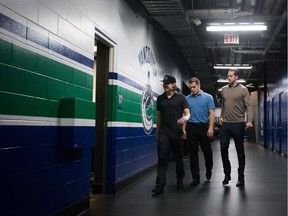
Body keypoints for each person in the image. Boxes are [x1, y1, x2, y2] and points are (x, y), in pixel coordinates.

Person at [152, 75, 190, 195]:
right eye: (164, 83)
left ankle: (180, 179)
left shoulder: (181, 98)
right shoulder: (160, 99)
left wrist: (184, 119)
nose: (165, 85)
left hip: (176, 132)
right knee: (162, 157)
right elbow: (159, 117)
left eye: (167, 83)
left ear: (173, 85)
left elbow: (188, 113)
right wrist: (157, 133)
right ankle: (160, 185)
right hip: (164, 132)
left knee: (178, 157)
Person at [219, 68, 253, 187]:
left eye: (231, 76)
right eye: (228, 76)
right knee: (223, 148)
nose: (229, 78)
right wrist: (221, 116)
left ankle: (241, 177)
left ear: (236, 77)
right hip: (226, 124)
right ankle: (227, 174)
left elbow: (249, 107)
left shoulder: (243, 90)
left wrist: (249, 120)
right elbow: (223, 104)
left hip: (238, 123)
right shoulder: (223, 89)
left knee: (240, 152)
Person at [185, 77, 215, 186]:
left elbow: (211, 113)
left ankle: (208, 169)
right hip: (191, 127)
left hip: (204, 127)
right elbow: (185, 115)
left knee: (207, 152)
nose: (192, 89)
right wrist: (183, 128)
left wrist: (211, 128)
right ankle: (195, 178)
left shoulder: (208, 97)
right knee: (193, 154)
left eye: (194, 87)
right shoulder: (187, 99)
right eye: (190, 87)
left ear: (199, 85)